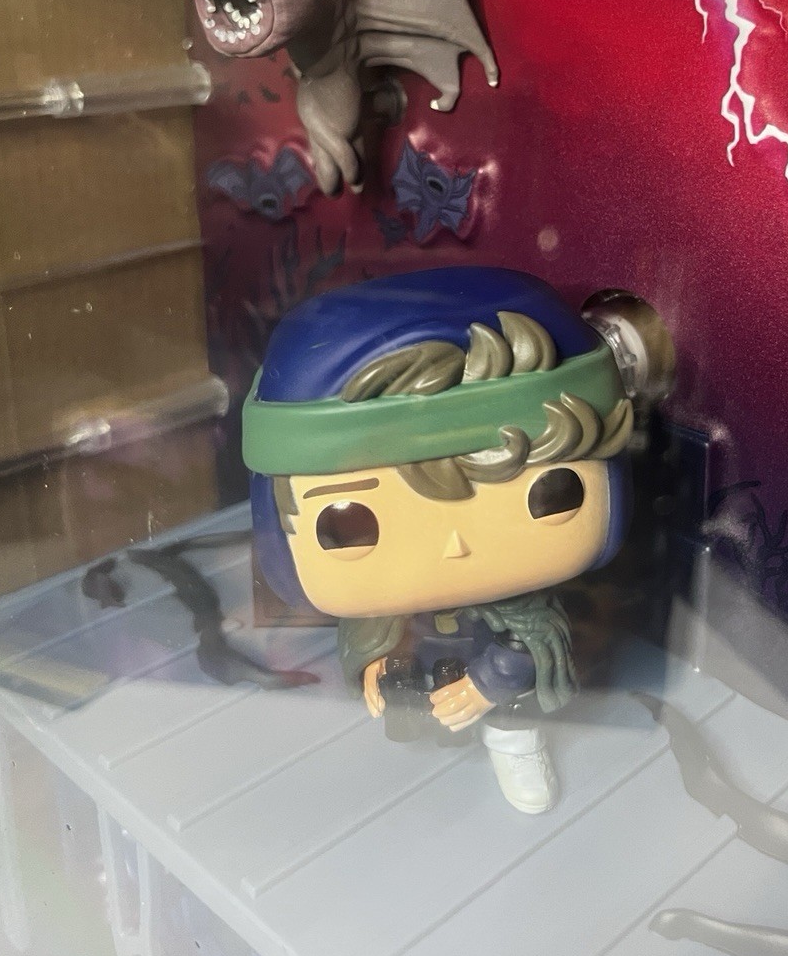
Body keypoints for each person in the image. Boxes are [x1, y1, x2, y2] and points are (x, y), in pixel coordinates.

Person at [244, 265, 634, 813]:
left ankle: (514, 744)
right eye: (349, 522)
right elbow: (366, 632)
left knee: (514, 713)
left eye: (551, 492)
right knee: (412, 698)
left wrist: (486, 684)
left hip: (494, 668)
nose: (455, 545)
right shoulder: (381, 602)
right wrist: (374, 666)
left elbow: (536, 643)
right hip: (423, 653)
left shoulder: (528, 606)